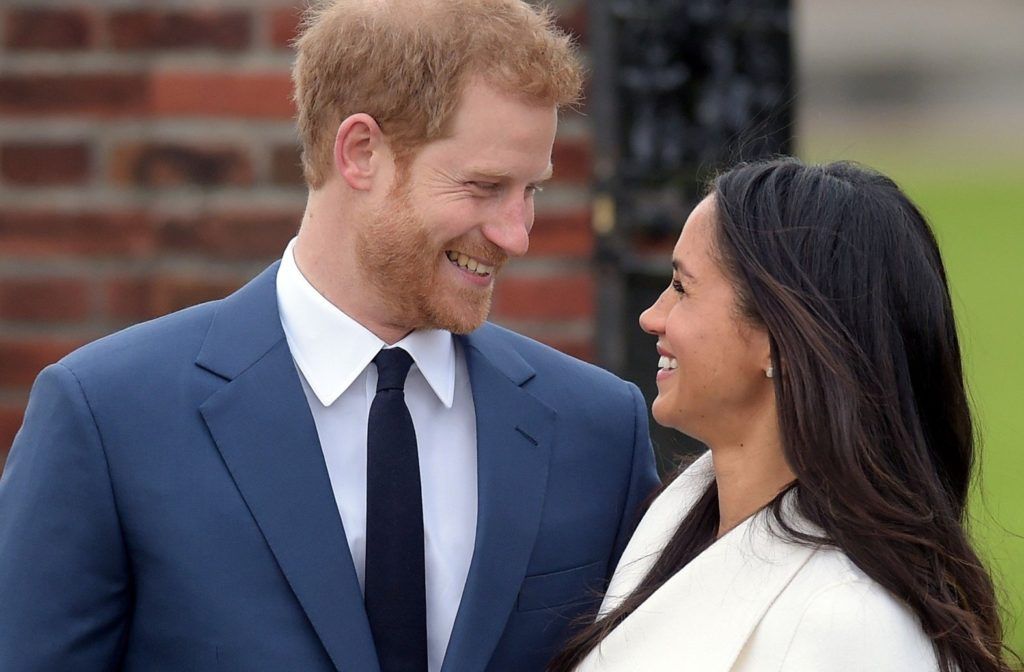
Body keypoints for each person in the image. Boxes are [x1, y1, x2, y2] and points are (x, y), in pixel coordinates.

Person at [0, 1, 660, 670]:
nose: (516, 234)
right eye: (484, 186)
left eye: (532, 191)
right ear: (361, 152)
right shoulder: (109, 418)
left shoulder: (598, 430)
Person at [549, 158, 1015, 672]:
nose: (652, 315)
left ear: (779, 340)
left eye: (682, 288)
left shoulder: (850, 626)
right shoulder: (680, 514)